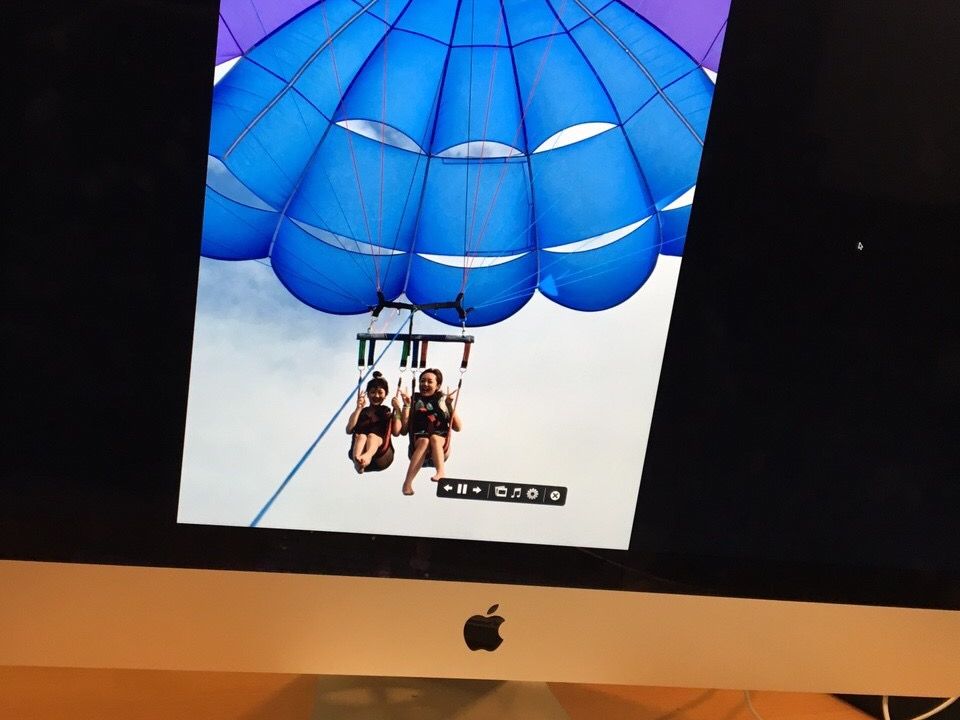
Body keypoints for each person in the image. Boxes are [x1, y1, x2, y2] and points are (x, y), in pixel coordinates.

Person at [397, 368, 462, 496]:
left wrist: (449, 405)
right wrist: (406, 406)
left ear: (438, 386)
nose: (425, 384)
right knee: (424, 441)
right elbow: (403, 431)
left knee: (434, 438)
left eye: (429, 381)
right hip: (419, 442)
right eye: (422, 381)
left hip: (440, 442)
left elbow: (458, 427)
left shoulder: (444, 400)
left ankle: (440, 472)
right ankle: (407, 483)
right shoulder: (413, 400)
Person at [345, 371, 402, 473]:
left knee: (372, 436)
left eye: (380, 392)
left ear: (385, 395)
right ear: (367, 394)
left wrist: (398, 409)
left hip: (381, 454)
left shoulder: (386, 412)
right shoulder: (362, 412)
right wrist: (358, 408)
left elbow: (396, 432)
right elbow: (349, 429)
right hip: (360, 448)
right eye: (372, 392)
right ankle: (358, 463)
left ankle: (366, 457)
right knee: (362, 437)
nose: (376, 395)